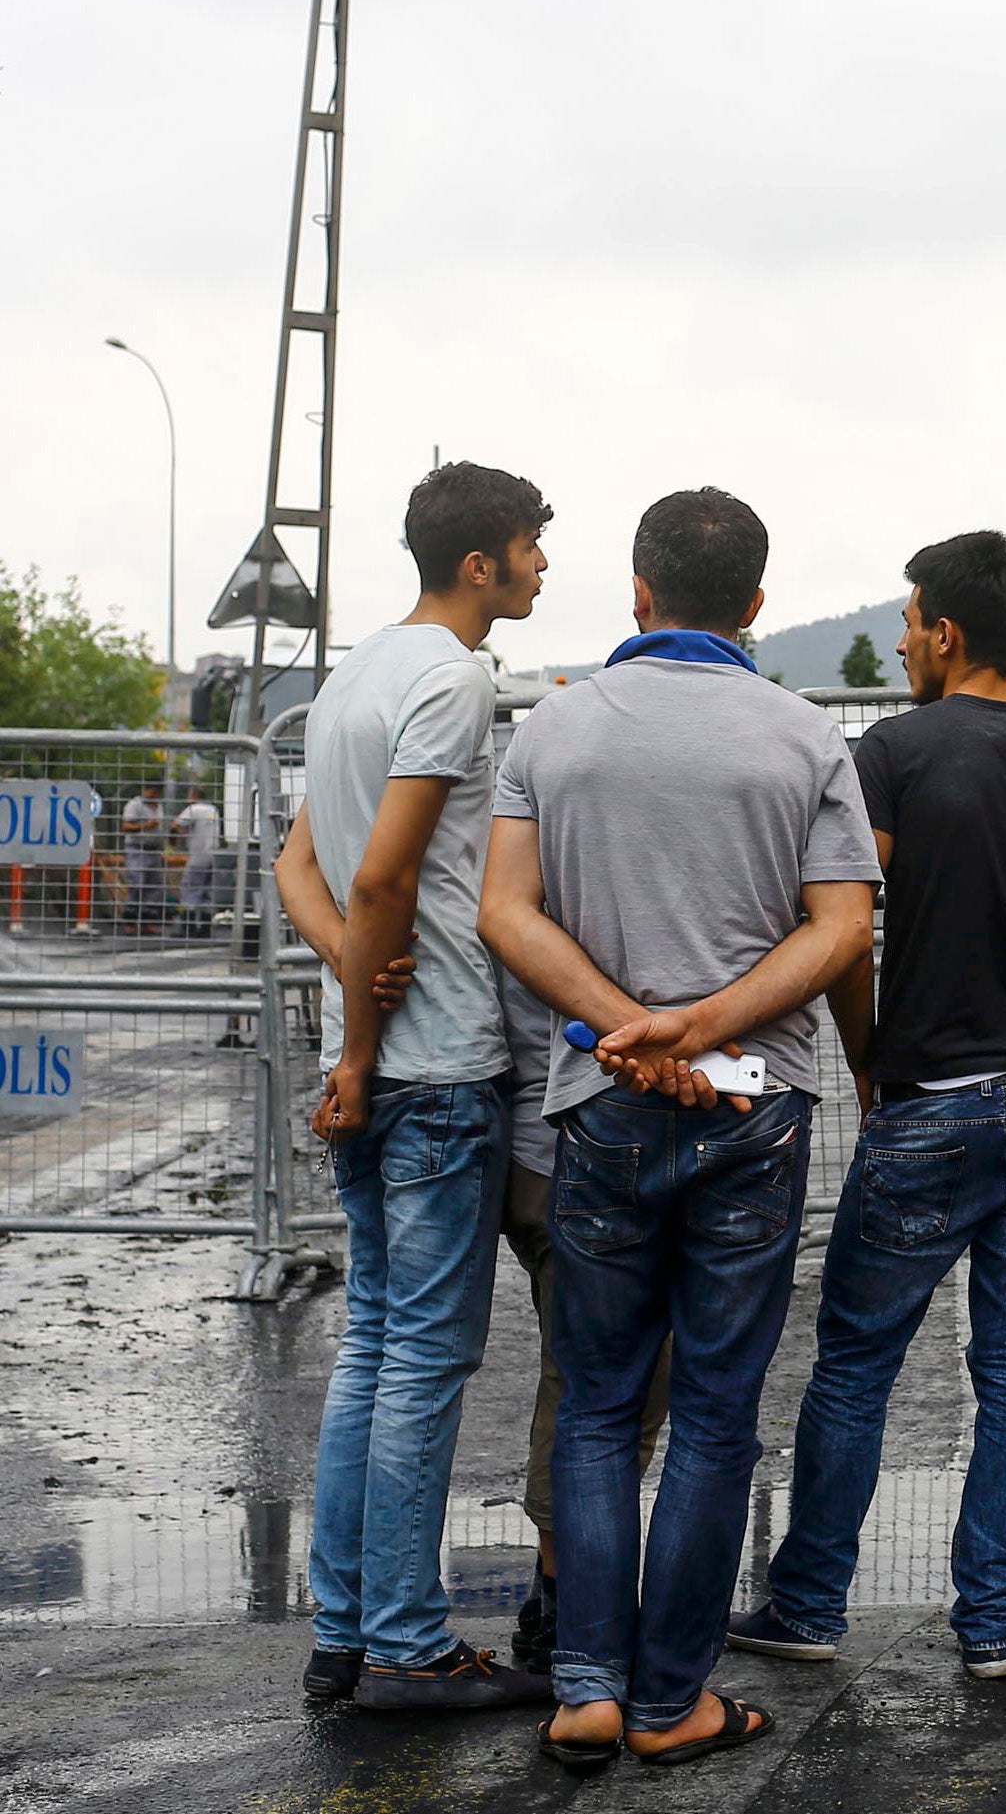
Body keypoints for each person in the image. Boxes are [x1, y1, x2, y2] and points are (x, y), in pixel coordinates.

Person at [481, 487, 879, 1769]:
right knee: (714, 1412)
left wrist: (621, 1029)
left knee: (598, 1407)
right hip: (753, 1110)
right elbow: (841, 927)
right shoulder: (806, 736)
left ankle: (588, 1687)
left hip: (599, 1102)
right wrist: (704, 1027)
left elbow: (504, 911)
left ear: (637, 595)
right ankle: (671, 1702)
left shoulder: (551, 729)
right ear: (756, 607)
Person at [729, 531, 1006, 1681]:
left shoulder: (893, 754)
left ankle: (809, 1602)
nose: (904, 641)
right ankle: (993, 1625)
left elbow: (843, 924)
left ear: (948, 634)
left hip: (928, 1106)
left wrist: (867, 1057)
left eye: (911, 623)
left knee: (857, 1365)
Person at [270, 460, 552, 1712]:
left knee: (373, 1350)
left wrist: (347, 967)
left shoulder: (355, 673)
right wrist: (360, 1042)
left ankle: (345, 1631)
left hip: (394, 1068)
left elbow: (298, 869)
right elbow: (380, 875)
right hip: (433, 1073)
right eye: (533, 546)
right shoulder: (451, 676)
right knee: (421, 1363)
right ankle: (405, 1643)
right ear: (480, 562)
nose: (544, 564)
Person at [492, 952, 671, 1679]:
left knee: (594, 1379)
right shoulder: (546, 857)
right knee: (602, 1384)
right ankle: (566, 1603)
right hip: (571, 1145)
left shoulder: (519, 858)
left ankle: (566, 1597)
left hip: (562, 1143)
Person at [172, 793, 225, 935]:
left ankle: (187, 928)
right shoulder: (213, 809)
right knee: (207, 891)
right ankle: (205, 928)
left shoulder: (193, 809)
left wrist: (172, 842)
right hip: (213, 856)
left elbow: (176, 825)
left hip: (198, 857)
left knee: (189, 889)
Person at [120, 785, 165, 934]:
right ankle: (131, 923)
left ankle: (148, 923)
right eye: (148, 789)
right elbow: (126, 826)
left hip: (154, 850)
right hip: (137, 848)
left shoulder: (158, 807)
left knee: (153, 887)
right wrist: (146, 826)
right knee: (136, 883)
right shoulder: (134, 805)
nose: (151, 792)